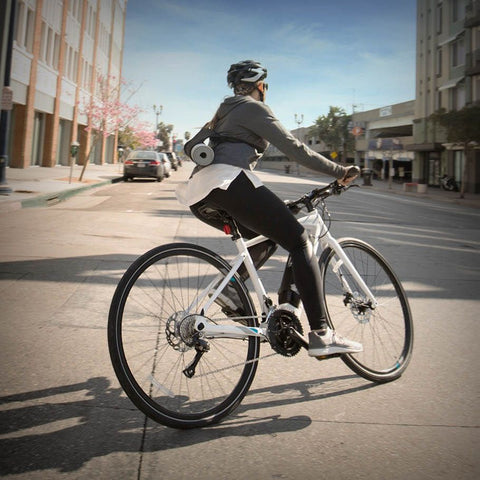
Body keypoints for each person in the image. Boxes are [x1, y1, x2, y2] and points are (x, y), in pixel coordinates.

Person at [176, 60, 362, 357]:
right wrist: (339, 171)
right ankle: (322, 334)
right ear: (260, 85)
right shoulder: (254, 108)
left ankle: (231, 290)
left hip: (201, 193)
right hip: (230, 182)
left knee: (268, 235)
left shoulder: (222, 113)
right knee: (300, 240)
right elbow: (294, 148)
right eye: (265, 85)